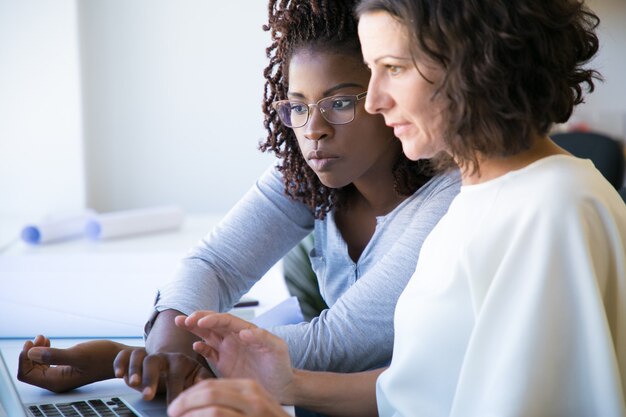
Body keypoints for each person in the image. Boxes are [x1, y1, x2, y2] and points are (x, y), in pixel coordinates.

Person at [164, 0, 626, 416]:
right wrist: (287, 383)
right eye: (371, 69)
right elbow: (421, 393)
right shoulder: (478, 199)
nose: (376, 100)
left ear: (471, 62)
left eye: (394, 68)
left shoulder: (551, 209)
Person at [17, 0, 460, 404]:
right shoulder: (311, 175)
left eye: (341, 102)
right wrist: (164, 353)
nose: (314, 130)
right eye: (299, 107)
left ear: (389, 94)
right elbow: (214, 263)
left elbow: (339, 341)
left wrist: (138, 357)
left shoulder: (452, 197)